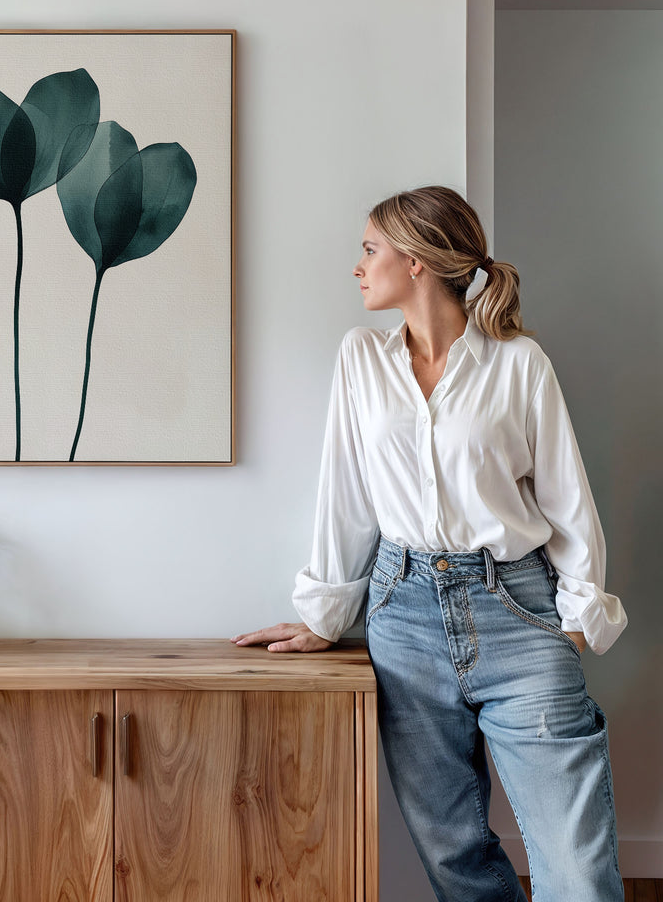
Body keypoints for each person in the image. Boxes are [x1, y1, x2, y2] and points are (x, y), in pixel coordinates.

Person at [233, 186, 627, 902]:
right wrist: (326, 615)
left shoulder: (519, 364)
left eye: (369, 249)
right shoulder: (361, 360)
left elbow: (568, 500)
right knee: (454, 857)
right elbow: (344, 495)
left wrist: (574, 619)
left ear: (416, 262)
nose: (358, 266)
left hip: (518, 608)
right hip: (402, 613)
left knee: (576, 867)